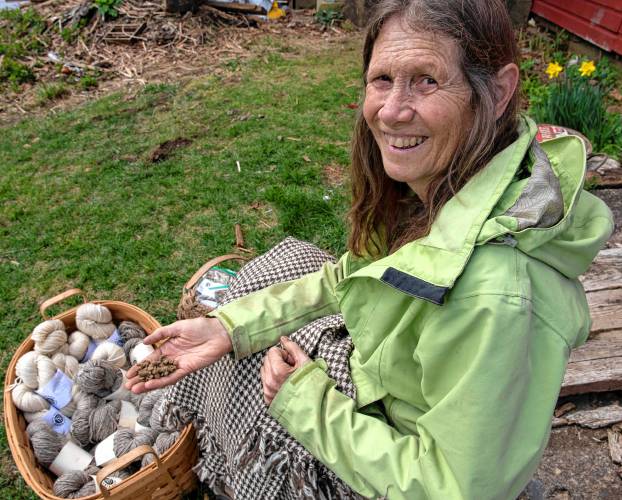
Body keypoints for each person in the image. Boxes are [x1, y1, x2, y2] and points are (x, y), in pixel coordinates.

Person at [127, 0, 613, 498]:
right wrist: (228, 326)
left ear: (497, 90)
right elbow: (349, 275)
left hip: (399, 462)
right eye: (382, 79)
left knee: (256, 389)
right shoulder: (442, 185)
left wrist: (306, 402)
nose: (392, 111)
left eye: (426, 80)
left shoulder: (492, 295)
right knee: (279, 271)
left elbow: (455, 488)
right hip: (394, 386)